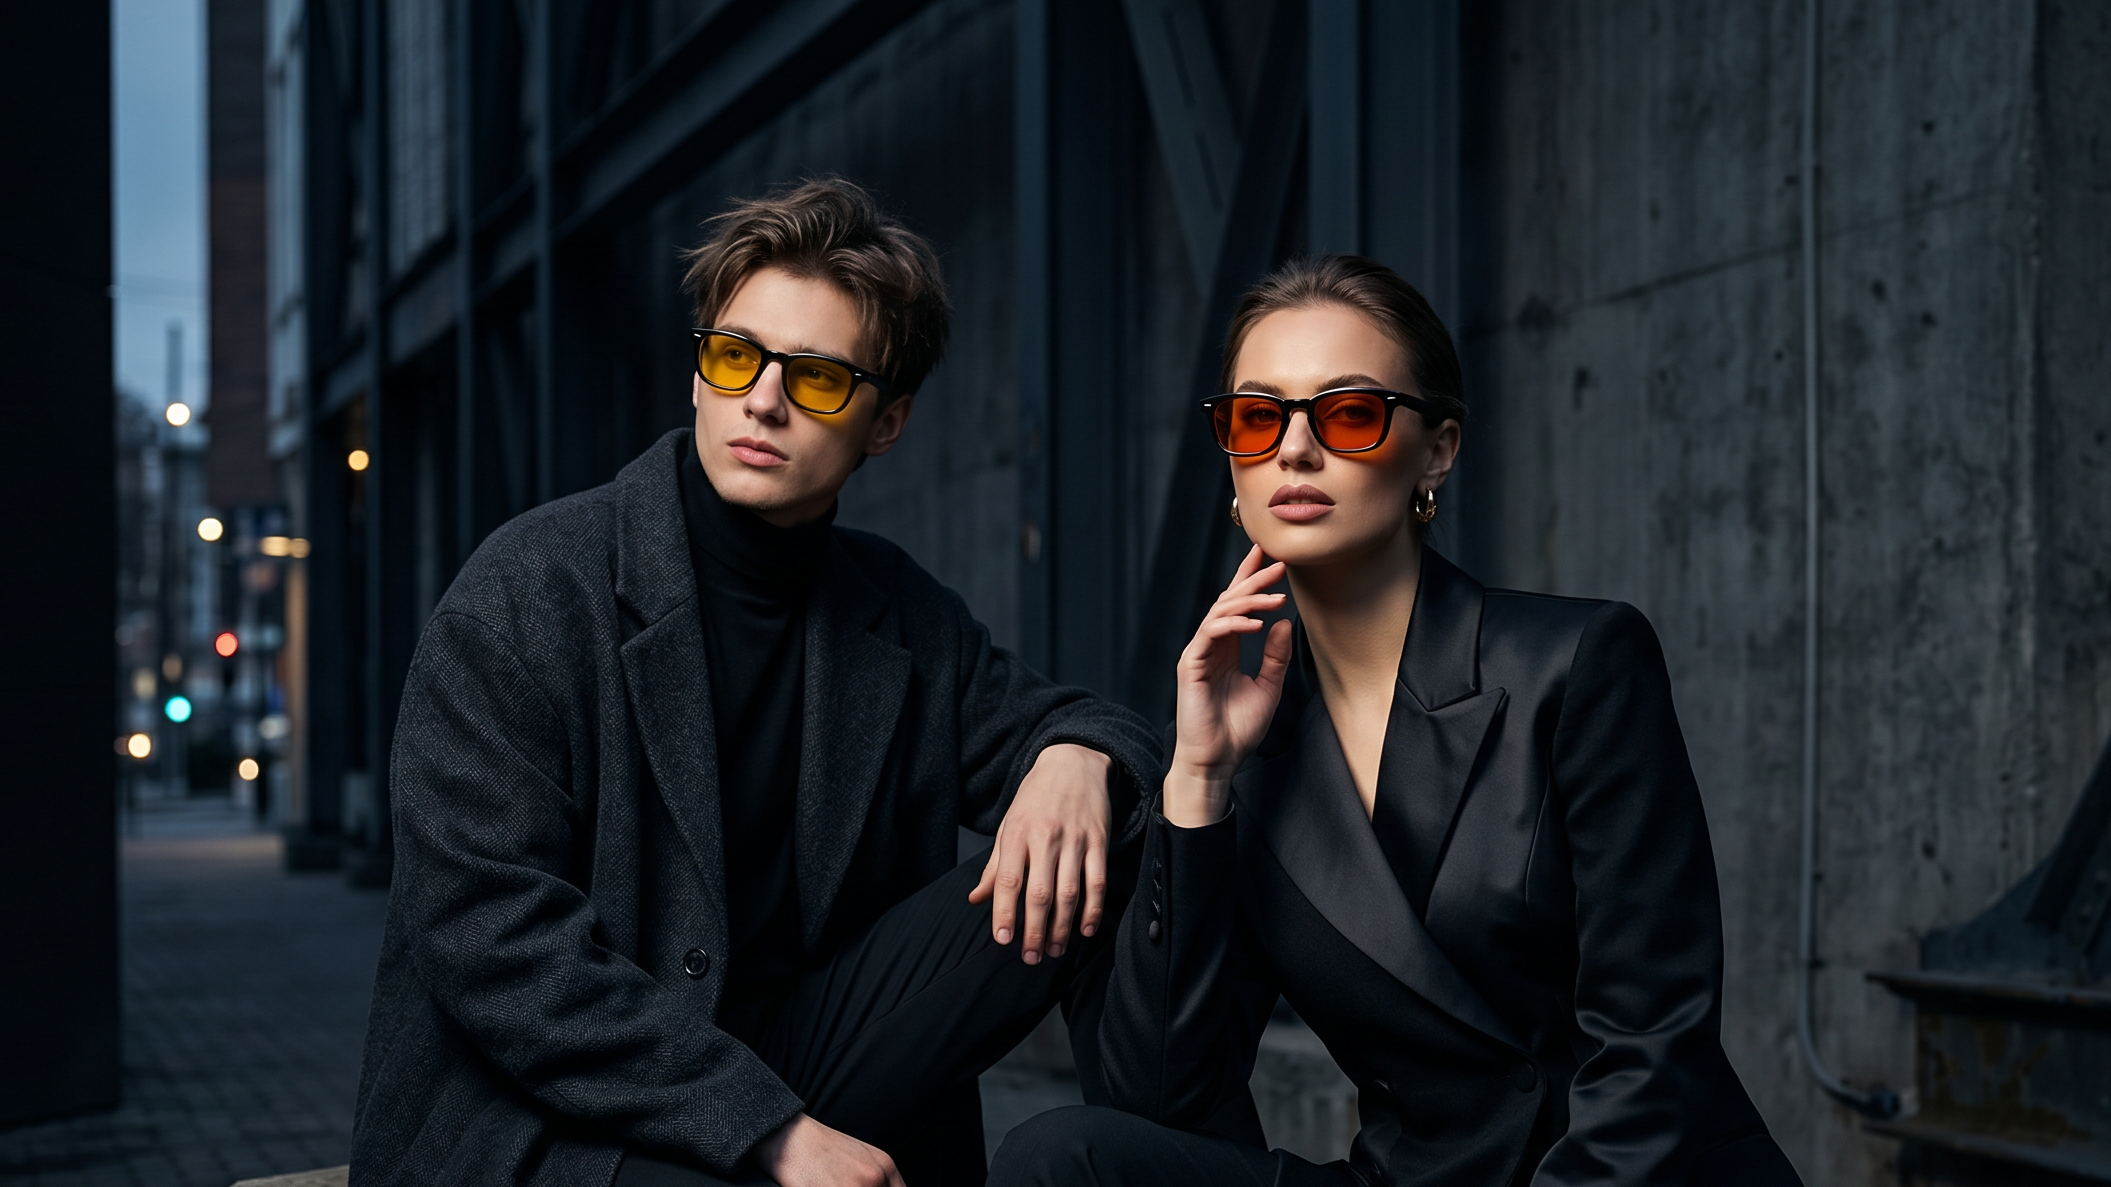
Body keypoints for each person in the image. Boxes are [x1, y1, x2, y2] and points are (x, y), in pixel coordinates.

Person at [350, 178, 1161, 1187]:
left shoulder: (897, 611)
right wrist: (766, 1130)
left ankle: (1153, 1168)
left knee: (1100, 840)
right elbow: (489, 935)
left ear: (886, 422)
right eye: (736, 357)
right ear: (698, 377)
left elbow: (1085, 724)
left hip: (798, 1058)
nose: (763, 400)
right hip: (551, 1119)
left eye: (816, 378)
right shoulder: (530, 590)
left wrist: (1077, 754)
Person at [988, 255, 1801, 1187]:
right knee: (1061, 1157)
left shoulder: (1577, 663)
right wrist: (1197, 784)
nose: (1295, 450)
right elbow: (1163, 1102)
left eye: (1347, 414)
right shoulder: (1248, 750)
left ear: (1437, 449)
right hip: (1418, 1176)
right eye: (1257, 417)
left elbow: (1654, 1046)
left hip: (1613, 1173)